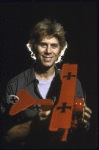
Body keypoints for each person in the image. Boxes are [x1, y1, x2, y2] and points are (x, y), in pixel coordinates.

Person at [0, 18, 92, 149]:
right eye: (43, 44)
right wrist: (35, 124)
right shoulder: (15, 85)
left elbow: (81, 132)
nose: (48, 51)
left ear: (60, 50)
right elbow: (6, 136)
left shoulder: (74, 83)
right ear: (33, 47)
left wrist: (83, 123)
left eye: (54, 45)